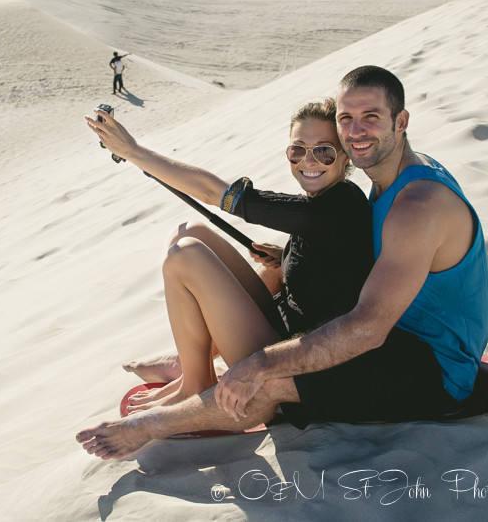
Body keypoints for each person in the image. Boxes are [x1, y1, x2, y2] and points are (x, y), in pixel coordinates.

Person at [77, 65, 488, 459]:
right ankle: (195, 370)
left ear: (401, 122)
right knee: (194, 238)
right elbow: (363, 256)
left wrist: (259, 363)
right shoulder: (399, 176)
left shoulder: (415, 204)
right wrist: (290, 257)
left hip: (428, 368)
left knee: (267, 381)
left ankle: (147, 427)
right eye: (346, 118)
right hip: (394, 336)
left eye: (371, 117)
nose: (356, 131)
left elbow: (366, 328)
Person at [85, 98, 373, 416]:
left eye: (324, 150)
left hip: (290, 363)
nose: (309, 160)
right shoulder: (327, 201)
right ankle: (192, 365)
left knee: (185, 256)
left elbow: (214, 192)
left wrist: (133, 151)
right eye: (297, 150)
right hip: (281, 329)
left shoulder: (340, 206)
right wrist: (286, 255)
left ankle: (194, 384)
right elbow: (332, 255)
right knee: (189, 232)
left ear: (346, 156)